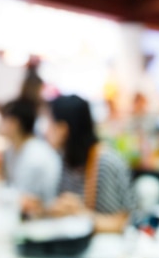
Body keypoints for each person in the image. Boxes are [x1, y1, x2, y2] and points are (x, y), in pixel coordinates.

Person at [46, 95, 135, 233]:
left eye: (50, 123)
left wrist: (80, 213)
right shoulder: (65, 158)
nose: (46, 131)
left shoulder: (105, 163)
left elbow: (122, 222)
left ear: (63, 129)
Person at [0, 98, 62, 213]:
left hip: (43, 218)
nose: (0, 125)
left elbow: (24, 198)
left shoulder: (36, 155)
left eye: (4, 120)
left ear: (15, 123)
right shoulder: (12, 149)